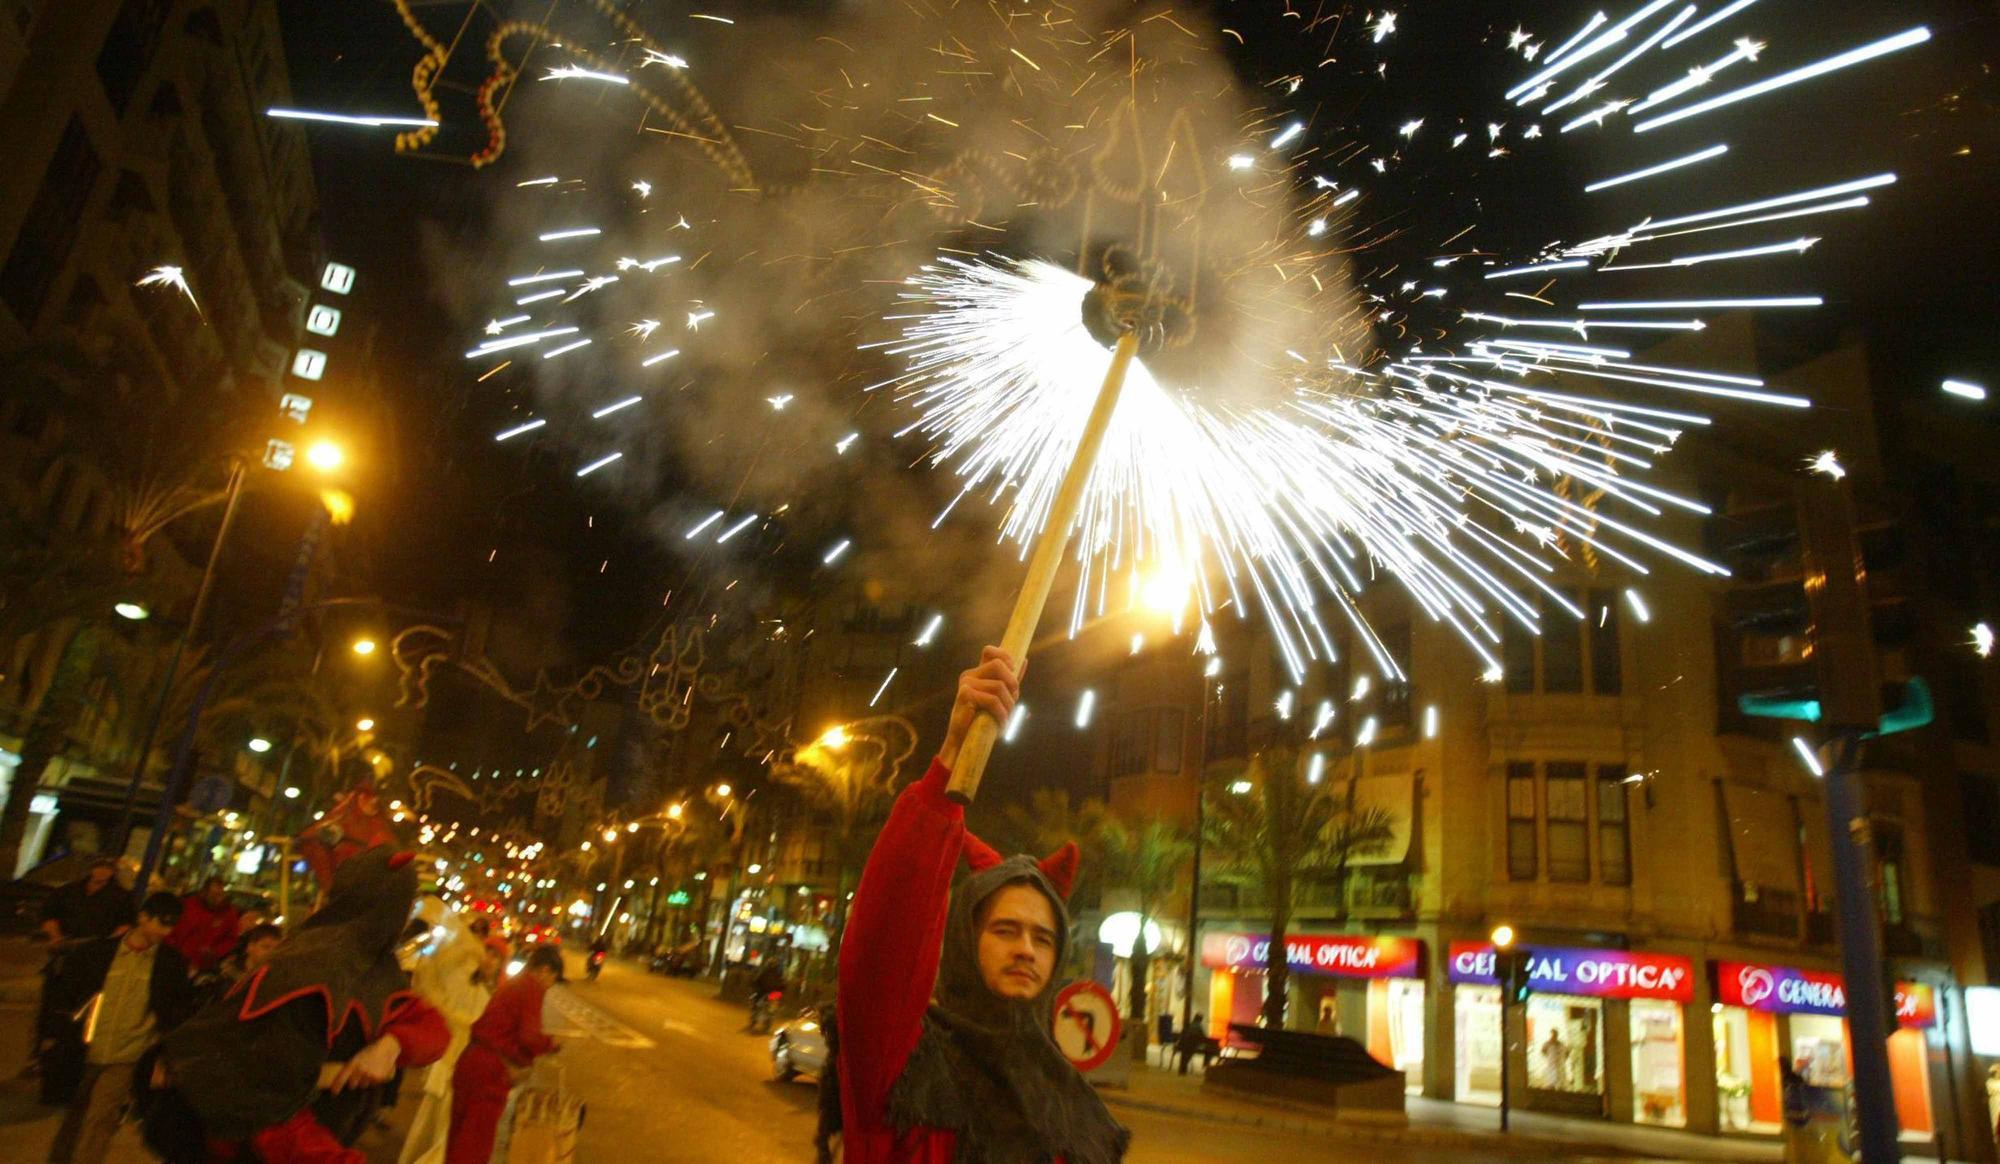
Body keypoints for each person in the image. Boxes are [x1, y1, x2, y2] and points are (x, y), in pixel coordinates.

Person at [824, 646, 1130, 1164]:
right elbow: (884, 946)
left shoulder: (1069, 1102)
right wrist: (951, 760)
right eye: (1005, 930)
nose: (1027, 950)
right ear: (966, 942)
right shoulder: (902, 1061)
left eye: (1043, 937)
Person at [142, 844, 448, 1164]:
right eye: (405, 907)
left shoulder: (374, 969)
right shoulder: (308, 971)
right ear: (388, 911)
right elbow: (263, 1104)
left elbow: (433, 1028)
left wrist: (392, 1044)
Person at [40, 891, 197, 1164]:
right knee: (74, 1117)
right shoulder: (98, 953)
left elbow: (176, 1012)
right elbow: (64, 996)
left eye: (171, 925)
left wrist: (164, 1057)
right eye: (160, 922)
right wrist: (51, 1036)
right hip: (85, 1049)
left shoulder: (170, 964)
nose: (164, 931)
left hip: (127, 1056)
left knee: (99, 1120)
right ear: (142, 917)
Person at [447, 945, 564, 1164]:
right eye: (553, 980)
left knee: (459, 1139)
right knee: (474, 1146)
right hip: (488, 1072)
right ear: (546, 971)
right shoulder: (531, 987)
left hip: (471, 1061)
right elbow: (529, 1035)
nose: (549, 987)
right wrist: (551, 1043)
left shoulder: (514, 984)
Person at [398, 914, 500, 1164]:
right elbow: (436, 989)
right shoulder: (462, 978)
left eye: (497, 958)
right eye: (490, 954)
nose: (492, 961)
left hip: (463, 1069)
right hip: (451, 1064)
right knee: (437, 1127)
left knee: (443, 1129)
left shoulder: (486, 992)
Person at [39, 858, 137, 944]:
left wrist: (107, 943)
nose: (102, 871)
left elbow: (126, 923)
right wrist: (55, 937)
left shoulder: (122, 897)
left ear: (113, 872)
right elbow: (49, 914)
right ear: (92, 869)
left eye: (107, 868)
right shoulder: (69, 890)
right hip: (63, 942)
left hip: (96, 948)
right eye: (99, 867)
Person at [191, 924, 283, 1007]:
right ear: (250, 947)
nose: (272, 953)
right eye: (265, 947)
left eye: (277, 949)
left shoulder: (276, 975)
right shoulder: (226, 974)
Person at [164, 877, 240, 975]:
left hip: (204, 966)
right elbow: (171, 928)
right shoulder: (188, 905)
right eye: (213, 895)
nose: (216, 899)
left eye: (219, 895)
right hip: (177, 959)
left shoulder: (228, 913)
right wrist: (173, 948)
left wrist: (215, 952)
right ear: (205, 891)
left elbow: (231, 938)